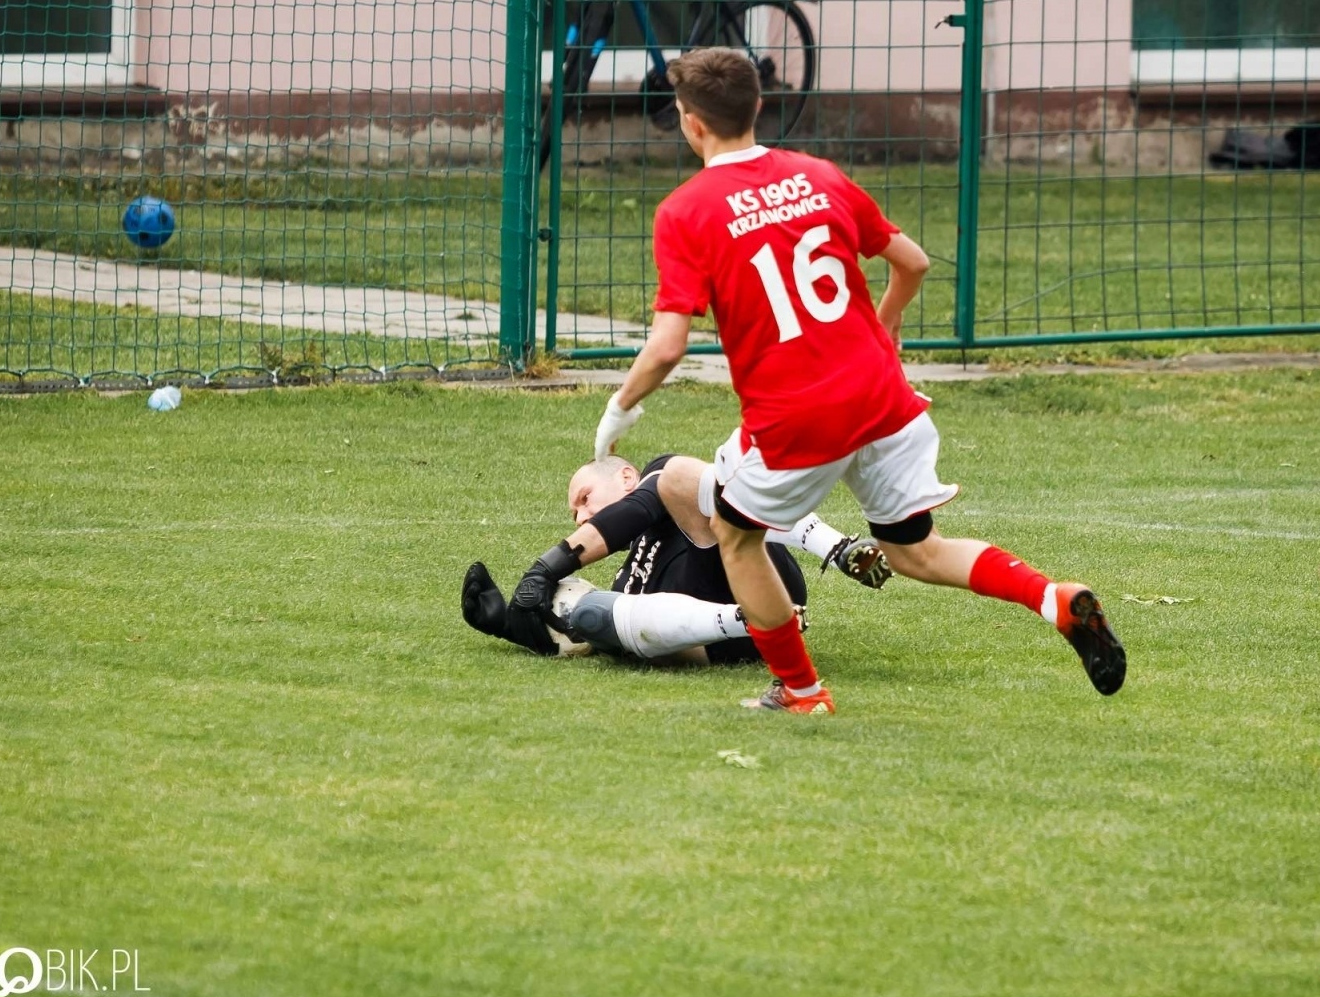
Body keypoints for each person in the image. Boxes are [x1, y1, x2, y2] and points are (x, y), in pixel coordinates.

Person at [566, 47, 1126, 714]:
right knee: (918, 553)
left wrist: (620, 408)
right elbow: (912, 262)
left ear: (690, 124)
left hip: (799, 417)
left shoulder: (686, 211)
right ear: (760, 109)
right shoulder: (818, 175)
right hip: (885, 401)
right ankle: (1052, 599)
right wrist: (885, 329)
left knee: (737, 535)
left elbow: (666, 346)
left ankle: (801, 691)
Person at [465, 453, 891, 665]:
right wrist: (512, 625)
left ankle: (835, 548)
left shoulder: (656, 485)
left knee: (683, 477)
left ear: (626, 476)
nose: (581, 515)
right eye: (575, 513)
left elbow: (637, 510)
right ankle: (756, 620)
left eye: (585, 498)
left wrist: (546, 569)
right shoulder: (624, 578)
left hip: (752, 566)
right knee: (599, 612)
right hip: (723, 637)